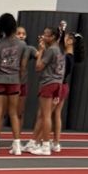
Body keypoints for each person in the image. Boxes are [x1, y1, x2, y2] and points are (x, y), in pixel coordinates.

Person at [0, 13, 27, 155]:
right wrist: (20, 81)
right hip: (14, 80)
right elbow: (23, 67)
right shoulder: (22, 45)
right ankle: (17, 145)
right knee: (13, 113)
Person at [26, 26, 64, 155]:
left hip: (48, 83)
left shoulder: (51, 50)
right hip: (57, 83)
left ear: (53, 37)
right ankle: (36, 142)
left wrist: (41, 50)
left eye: (46, 35)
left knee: (46, 116)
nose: (43, 36)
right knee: (45, 115)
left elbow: (38, 67)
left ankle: (45, 146)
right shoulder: (59, 49)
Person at [52, 31, 82, 152]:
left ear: (70, 41)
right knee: (56, 114)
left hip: (59, 86)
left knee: (46, 115)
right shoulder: (69, 56)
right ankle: (55, 142)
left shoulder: (67, 57)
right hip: (63, 86)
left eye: (64, 38)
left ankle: (40, 141)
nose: (62, 40)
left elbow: (60, 73)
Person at [14, 25, 35, 123]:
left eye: (23, 34)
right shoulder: (9, 48)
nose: (21, 36)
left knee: (19, 112)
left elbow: (39, 56)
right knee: (4, 111)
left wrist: (42, 48)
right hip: (10, 82)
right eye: (18, 34)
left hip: (22, 83)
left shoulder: (29, 48)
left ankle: (17, 132)